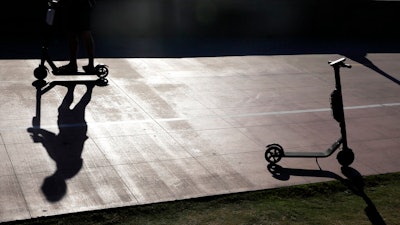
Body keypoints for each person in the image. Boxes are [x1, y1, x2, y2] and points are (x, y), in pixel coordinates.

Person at [58, 0, 96, 74]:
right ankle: (75, 64)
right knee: (74, 33)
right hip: (77, 5)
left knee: (83, 33)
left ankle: (87, 65)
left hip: (81, 5)